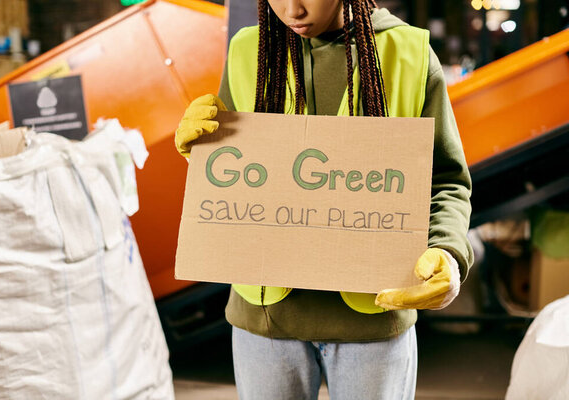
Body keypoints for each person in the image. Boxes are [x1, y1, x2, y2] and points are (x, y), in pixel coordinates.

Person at [175, 0, 473, 398]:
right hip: (264, 316)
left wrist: (448, 251)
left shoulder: (408, 53)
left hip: (373, 316)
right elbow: (234, 173)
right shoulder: (249, 50)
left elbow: (448, 181)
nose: (292, 10)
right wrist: (203, 152)